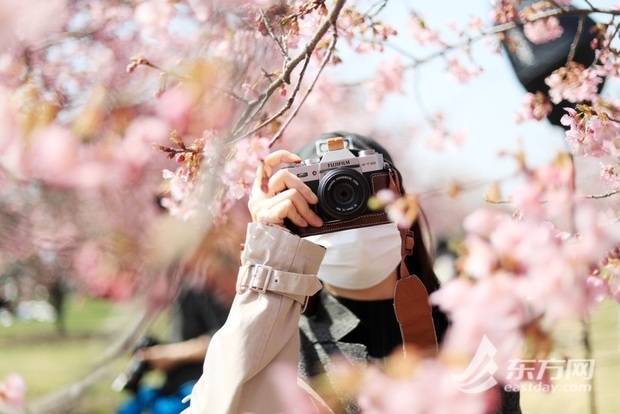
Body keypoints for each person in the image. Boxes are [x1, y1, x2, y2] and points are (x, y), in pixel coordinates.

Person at [185, 132, 520, 413]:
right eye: (320, 195)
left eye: (363, 186)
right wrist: (269, 254)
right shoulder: (280, 348)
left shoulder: (470, 330)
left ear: (402, 203)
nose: (345, 203)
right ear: (292, 218)